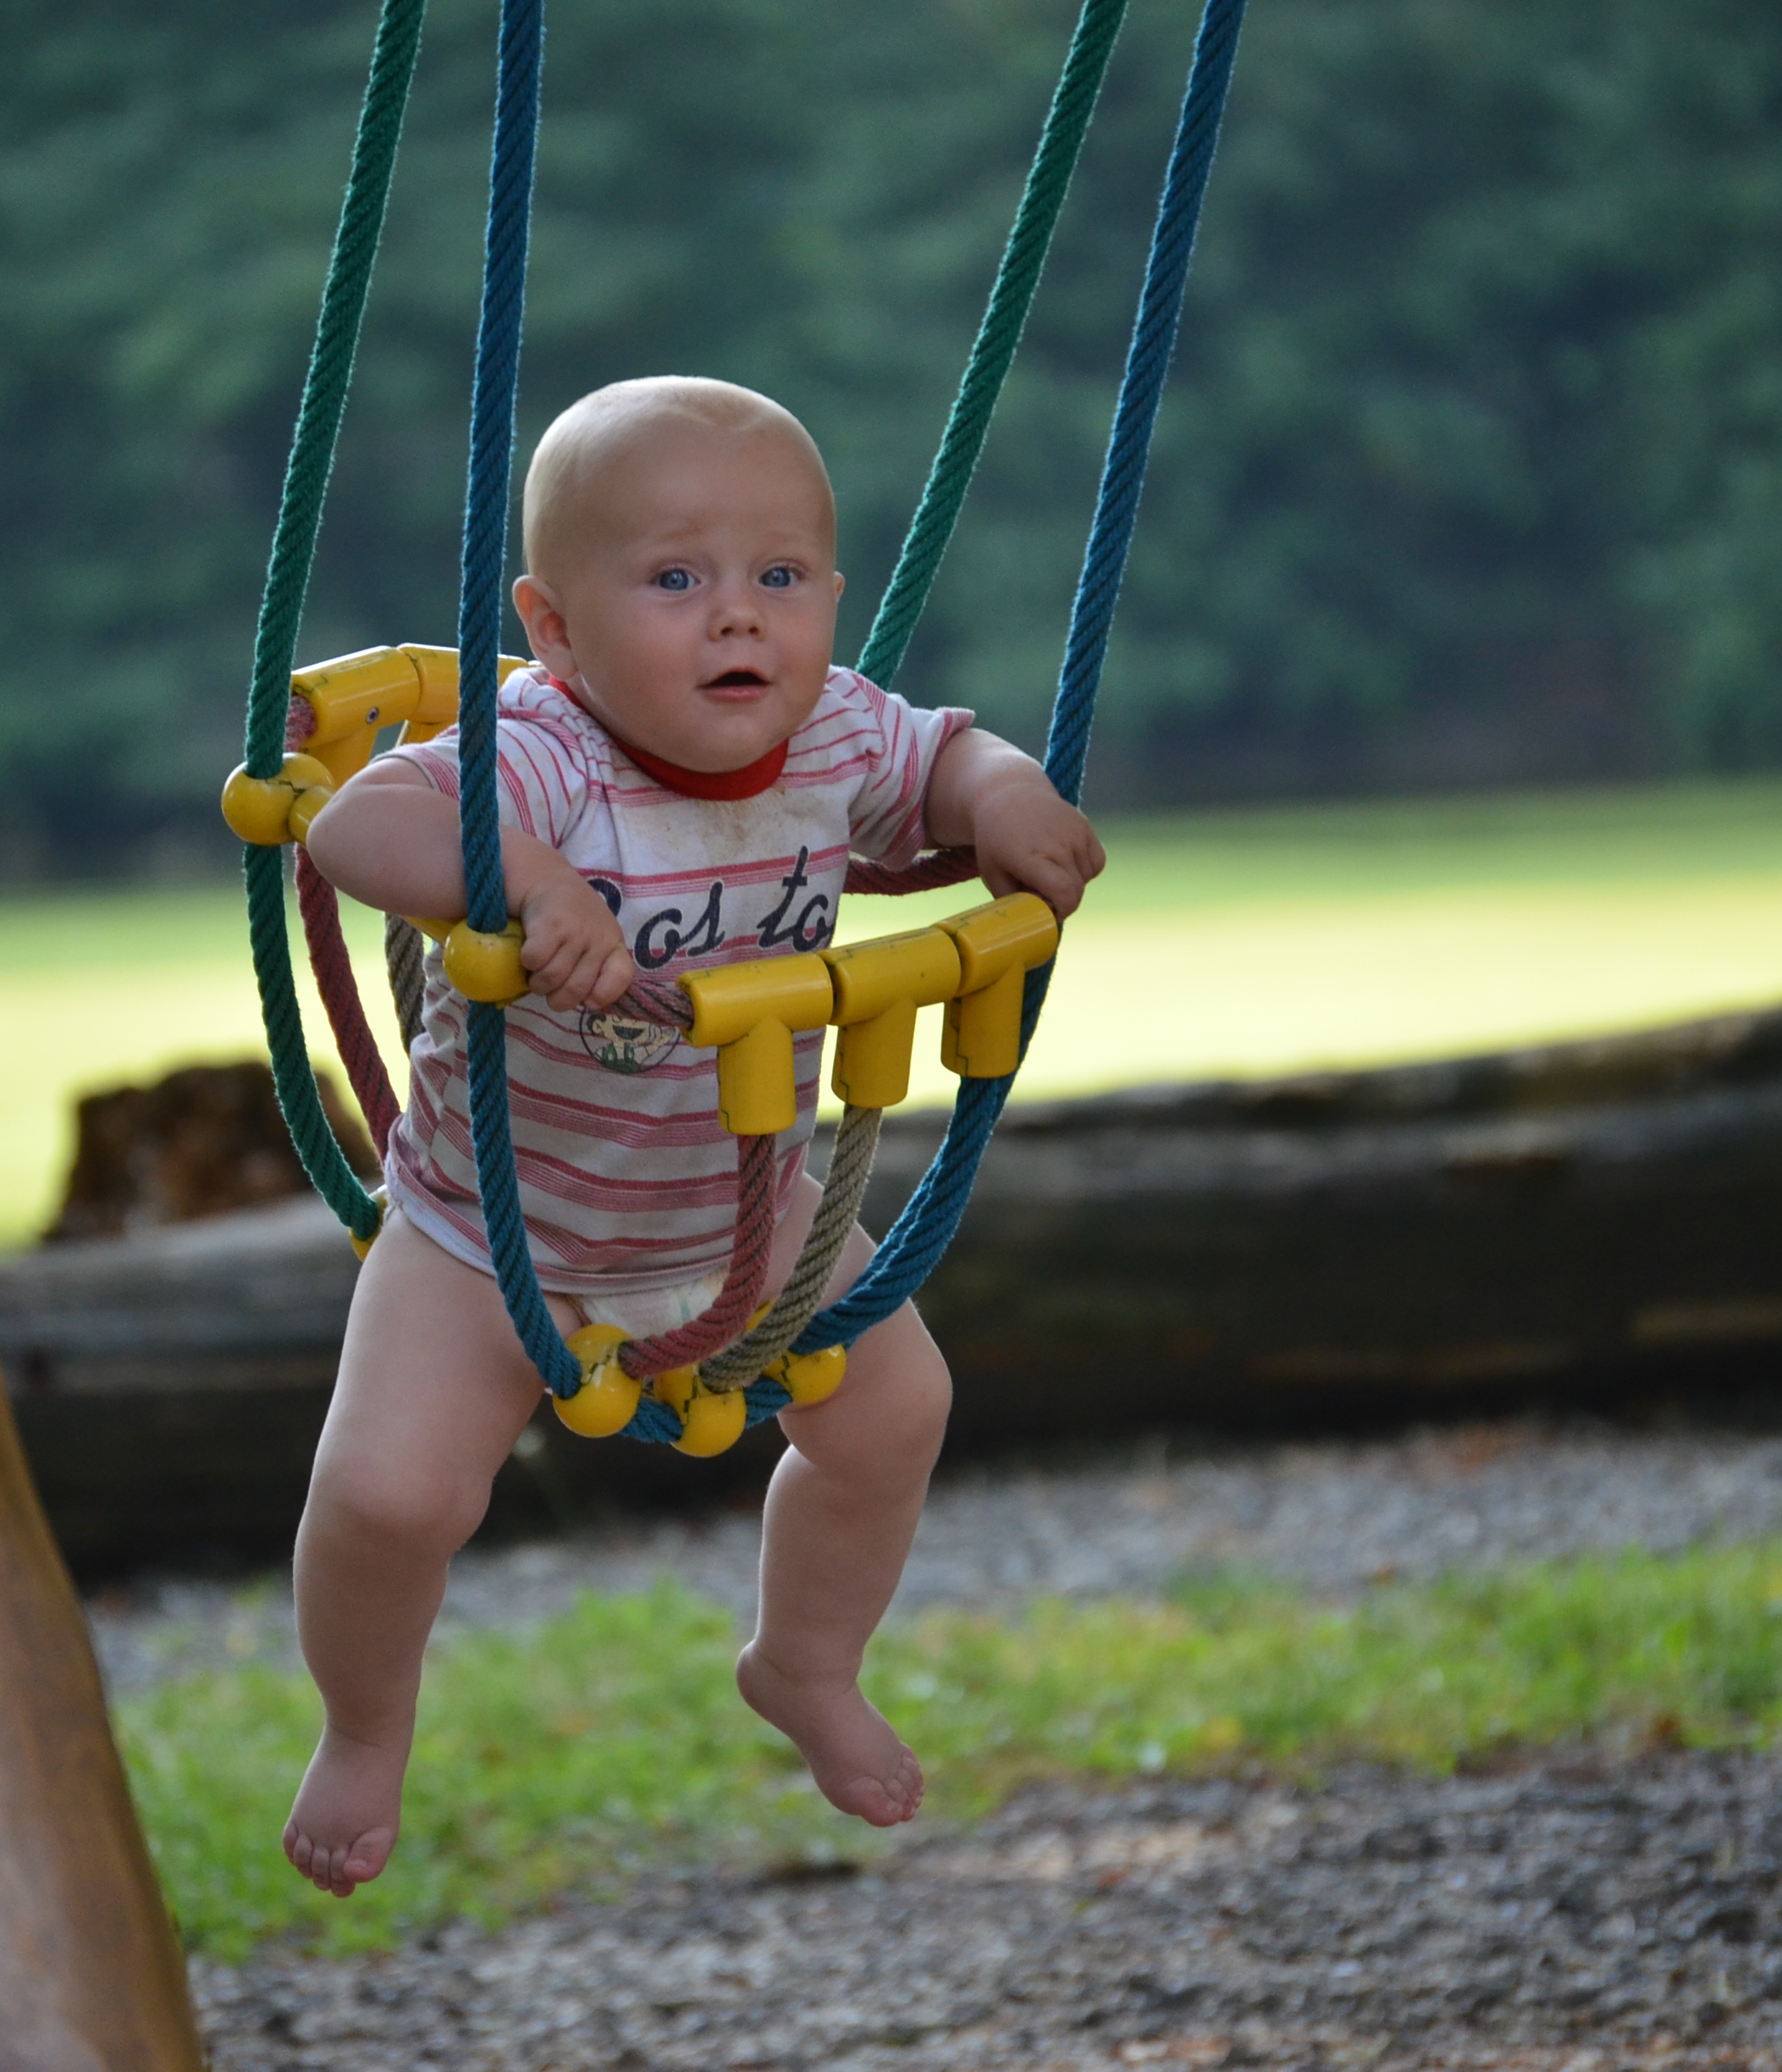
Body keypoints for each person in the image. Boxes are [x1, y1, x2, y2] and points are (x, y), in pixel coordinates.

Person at [281, 375, 1105, 1897]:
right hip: (491, 1233)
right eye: (675, 579)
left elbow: (950, 758)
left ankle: (805, 1662)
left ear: (830, 601)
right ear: (556, 629)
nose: (738, 616)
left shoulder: (836, 735)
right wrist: (529, 881)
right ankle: (362, 1726)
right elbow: (353, 828)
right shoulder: (545, 751)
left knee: (895, 1416)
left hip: (747, 1210)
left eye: (779, 577)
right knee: (391, 1497)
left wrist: (1007, 798)